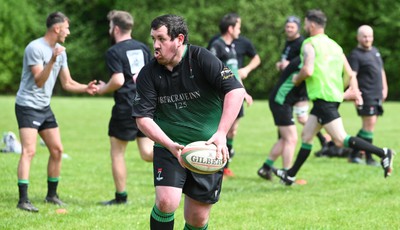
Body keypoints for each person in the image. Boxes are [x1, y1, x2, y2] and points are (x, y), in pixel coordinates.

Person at [132, 14, 245, 230]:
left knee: (197, 219)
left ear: (179, 39)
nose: (155, 45)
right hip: (169, 147)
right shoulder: (148, 73)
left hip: (207, 150)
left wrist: (221, 134)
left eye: (161, 39)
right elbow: (143, 118)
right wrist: (169, 144)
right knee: (166, 201)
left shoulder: (201, 58)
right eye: (153, 39)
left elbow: (236, 91)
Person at [272, 9, 394, 186]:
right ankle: (290, 175)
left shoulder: (310, 43)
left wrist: (296, 79)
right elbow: (350, 73)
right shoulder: (335, 46)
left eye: (305, 23)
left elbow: (307, 70)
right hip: (332, 97)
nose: (305, 26)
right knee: (307, 135)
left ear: (311, 24)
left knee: (340, 139)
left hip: (323, 99)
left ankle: (383, 153)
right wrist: (343, 90)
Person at [15, 12, 98, 212]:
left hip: (44, 107)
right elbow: (39, 81)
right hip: (27, 106)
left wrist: (85, 88)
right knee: (29, 151)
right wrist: (51, 60)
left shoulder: (60, 51)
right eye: (67, 28)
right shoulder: (35, 48)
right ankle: (23, 200)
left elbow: (67, 83)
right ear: (57, 28)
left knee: (57, 150)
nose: (68, 32)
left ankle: (51, 195)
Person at [96, 10, 154, 205]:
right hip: (145, 105)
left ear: (117, 28)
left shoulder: (114, 51)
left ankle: (121, 198)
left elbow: (118, 80)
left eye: (110, 26)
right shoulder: (144, 48)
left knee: (117, 152)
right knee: (147, 153)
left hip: (125, 107)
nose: (109, 30)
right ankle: (182, 159)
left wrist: (103, 89)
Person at [257, 16, 323, 181]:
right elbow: (308, 73)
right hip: (281, 101)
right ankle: (287, 174)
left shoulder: (302, 56)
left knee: (285, 138)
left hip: (283, 100)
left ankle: (266, 168)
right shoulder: (303, 62)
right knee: (291, 138)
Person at [208, 13, 253, 177]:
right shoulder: (216, 46)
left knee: (232, 130)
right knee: (221, 129)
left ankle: (225, 163)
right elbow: (210, 71)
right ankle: (214, 163)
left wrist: (243, 91)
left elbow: (234, 73)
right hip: (223, 97)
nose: (240, 30)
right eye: (238, 27)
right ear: (230, 28)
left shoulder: (232, 47)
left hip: (235, 95)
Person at [347, 25, 388, 166]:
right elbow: (352, 76)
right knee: (369, 126)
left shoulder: (375, 51)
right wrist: (356, 94)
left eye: (370, 36)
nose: (367, 39)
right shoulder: (355, 55)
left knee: (368, 126)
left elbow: (381, 70)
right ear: (358, 37)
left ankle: (353, 154)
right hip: (366, 94)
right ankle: (369, 159)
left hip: (377, 93)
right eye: (364, 36)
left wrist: (385, 87)